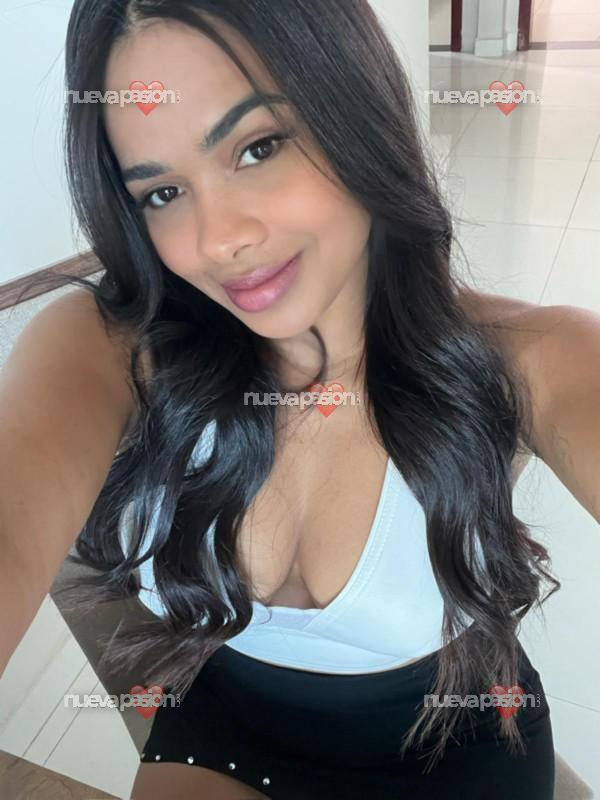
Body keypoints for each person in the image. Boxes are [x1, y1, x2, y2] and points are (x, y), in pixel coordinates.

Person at [2, 1, 599, 798]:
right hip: (227, 732)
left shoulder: (531, 356)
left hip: (453, 746)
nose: (218, 240)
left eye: (257, 147)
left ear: (357, 114)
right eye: (163, 192)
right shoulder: (111, 346)